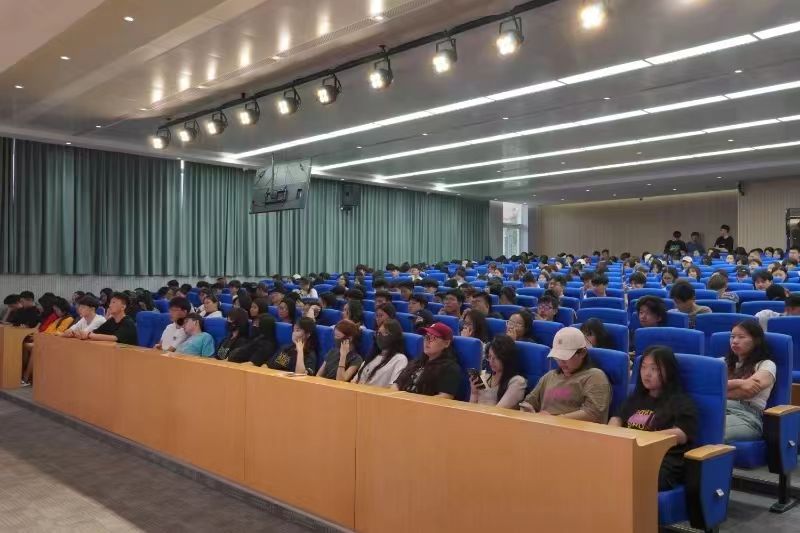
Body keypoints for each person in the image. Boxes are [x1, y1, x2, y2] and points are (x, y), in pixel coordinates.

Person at [609, 346, 698, 490]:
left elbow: (681, 434)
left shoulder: (681, 402)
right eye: (643, 367)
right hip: (630, 454)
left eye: (654, 369)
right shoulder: (635, 399)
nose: (647, 374)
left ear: (669, 371)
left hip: (661, 462)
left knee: (626, 478)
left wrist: (641, 439)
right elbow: (616, 418)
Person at [519, 327, 611, 423]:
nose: (561, 362)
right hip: (543, 426)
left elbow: (593, 414)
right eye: (558, 357)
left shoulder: (595, 376)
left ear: (582, 353)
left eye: (566, 357)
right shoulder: (549, 376)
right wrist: (527, 410)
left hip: (573, 429)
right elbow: (529, 402)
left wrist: (554, 420)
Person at [724, 321, 776, 443]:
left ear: (756, 341)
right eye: (732, 336)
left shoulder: (766, 364)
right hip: (718, 408)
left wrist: (716, 391)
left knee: (708, 431)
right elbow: (701, 386)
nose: (735, 341)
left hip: (746, 416)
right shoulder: (722, 362)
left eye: (741, 337)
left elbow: (748, 391)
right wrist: (740, 383)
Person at [392, 322, 461, 398]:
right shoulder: (417, 361)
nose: (427, 341)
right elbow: (396, 384)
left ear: (446, 343)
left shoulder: (450, 368)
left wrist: (413, 401)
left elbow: (445, 397)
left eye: (433, 338)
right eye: (426, 337)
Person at [20, 298, 74, 386]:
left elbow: (58, 333)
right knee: (25, 345)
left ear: (63, 310)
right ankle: (27, 375)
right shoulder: (59, 318)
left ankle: (26, 378)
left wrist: (41, 336)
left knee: (34, 349)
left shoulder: (69, 319)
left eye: (57, 310)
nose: (55, 312)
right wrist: (40, 336)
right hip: (47, 340)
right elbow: (49, 330)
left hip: (54, 343)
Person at [469, 334, 527, 409]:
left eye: (496, 358)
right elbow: (470, 409)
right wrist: (474, 393)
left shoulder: (517, 382)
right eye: (489, 356)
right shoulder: (483, 376)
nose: (491, 361)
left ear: (506, 358)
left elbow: (498, 411)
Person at [355, 319, 409, 387]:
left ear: (395, 337)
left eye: (385, 333)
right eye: (378, 333)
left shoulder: (400, 359)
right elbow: (355, 380)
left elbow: (393, 387)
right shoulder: (372, 356)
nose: (380, 336)